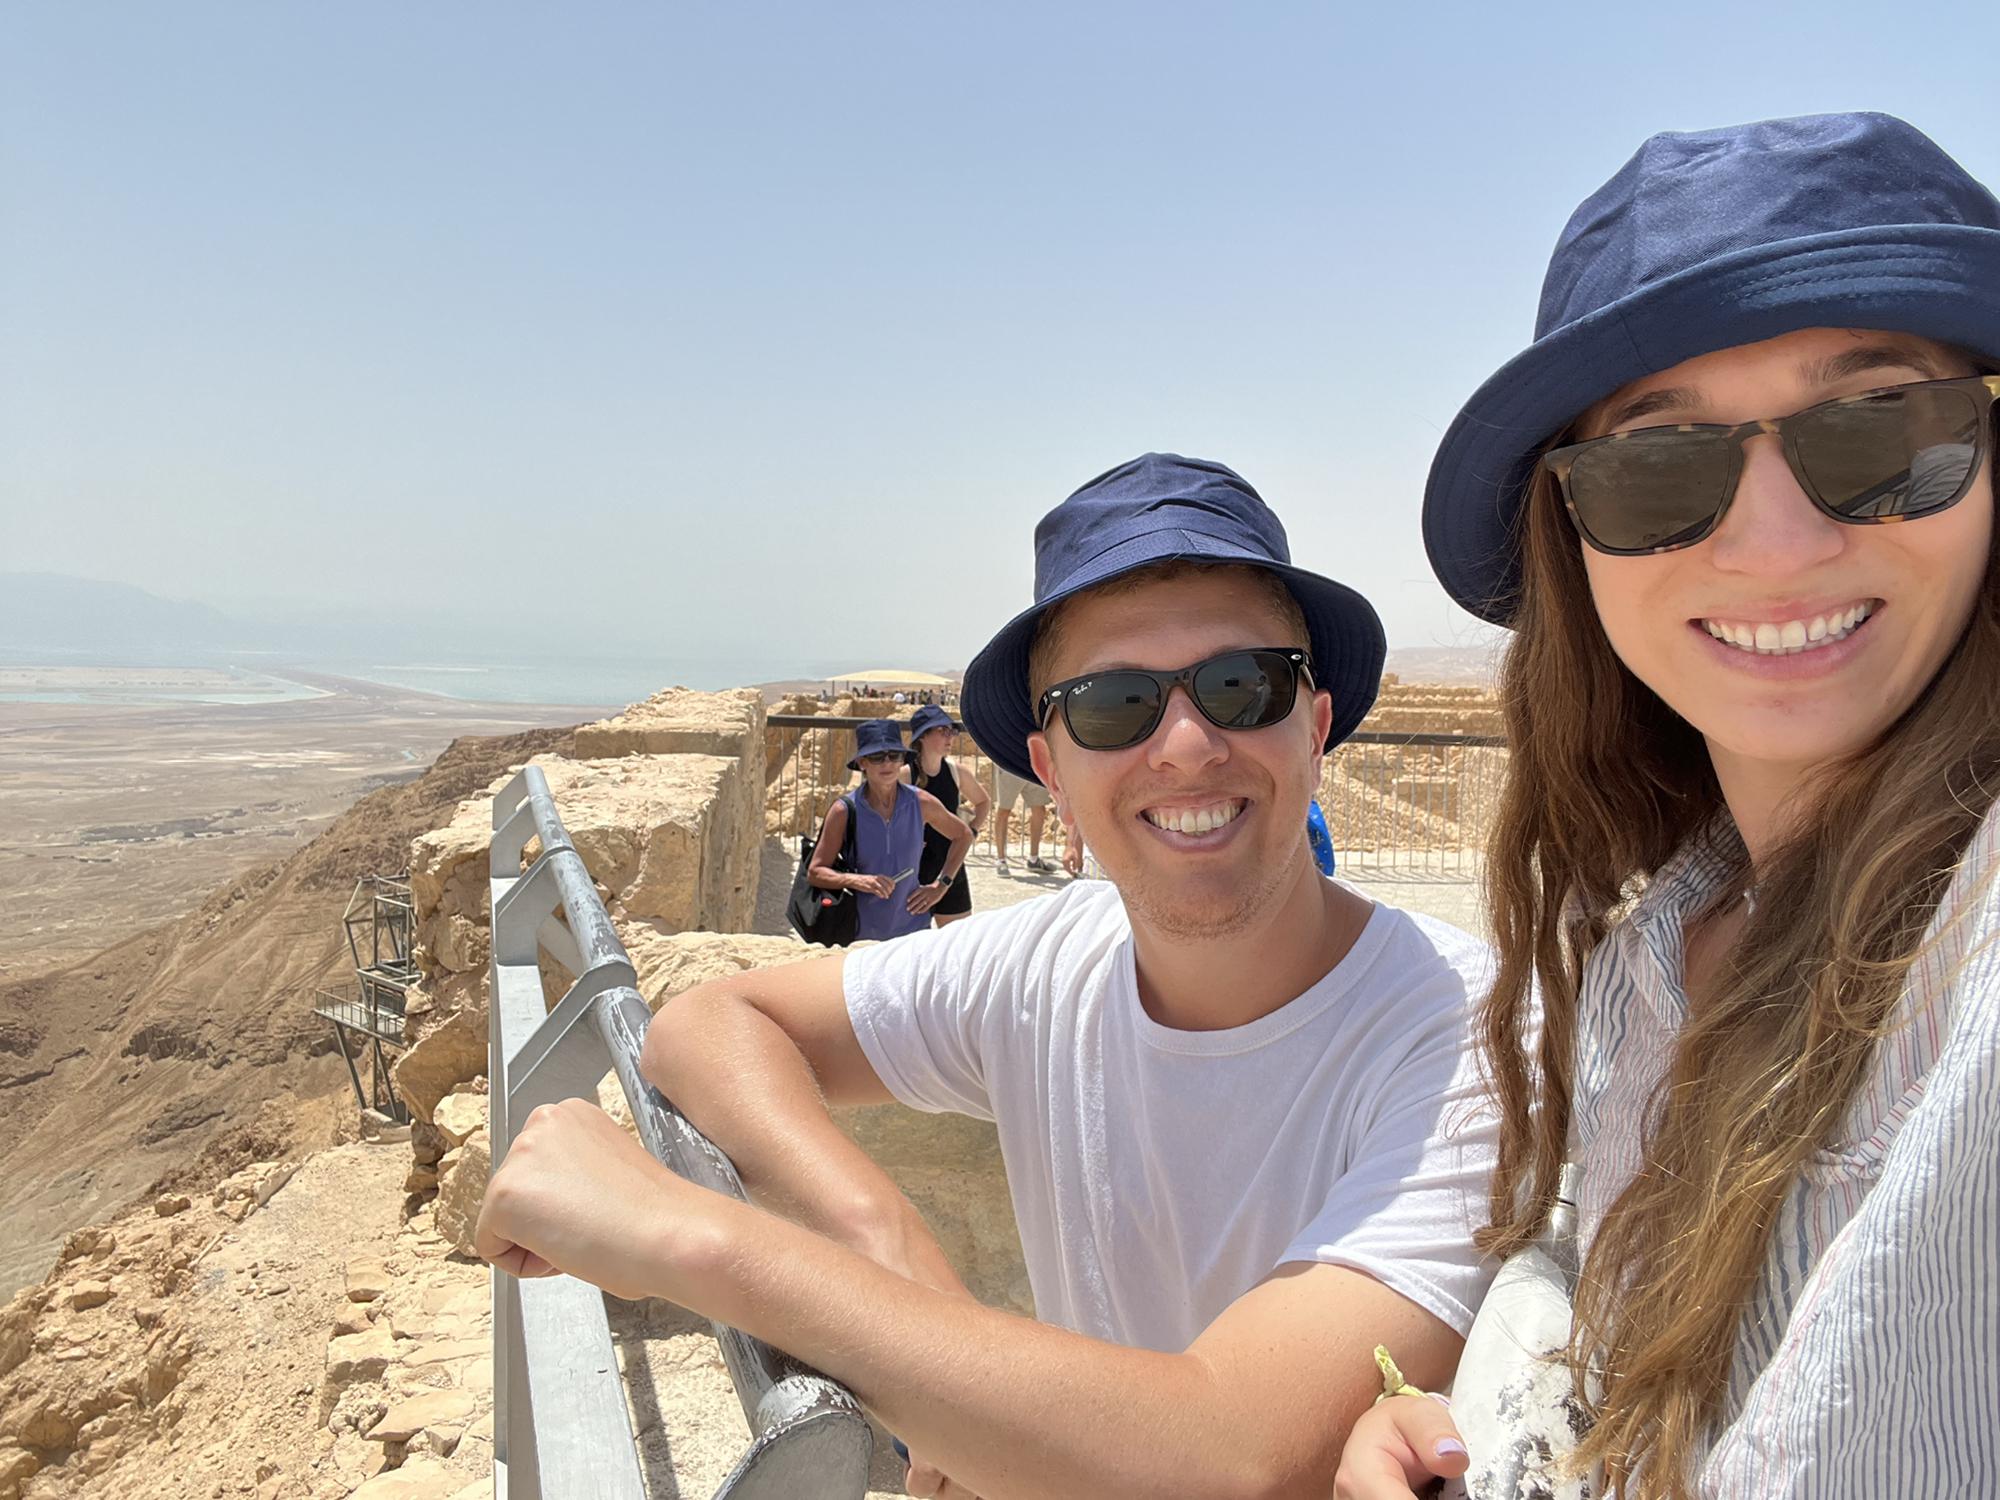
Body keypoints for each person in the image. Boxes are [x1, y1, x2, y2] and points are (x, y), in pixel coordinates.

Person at [477, 453, 1501, 1498]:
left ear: (1316, 725)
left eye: (1243, 687)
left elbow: (1232, 1455)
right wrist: (886, 1246)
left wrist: (694, 1240)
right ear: (1051, 770)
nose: (1187, 746)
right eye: (1113, 707)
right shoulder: (1048, 960)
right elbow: (708, 1025)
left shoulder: (1472, 1033)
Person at [1337, 113, 2000, 1500]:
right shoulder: (1664, 936)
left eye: (1879, 428)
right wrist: (1497, 1422)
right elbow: (1582, 1251)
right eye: (1658, 466)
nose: (1775, 544)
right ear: (1574, 542)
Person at [807, 718, 972, 943]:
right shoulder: (844, 811)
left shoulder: (921, 802)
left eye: (893, 755)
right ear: (862, 762)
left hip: (914, 931)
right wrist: (857, 880)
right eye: (877, 757)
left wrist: (941, 885)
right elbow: (816, 872)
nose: (887, 763)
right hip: (861, 935)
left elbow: (963, 835)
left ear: (902, 760)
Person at [904, 702, 989, 927]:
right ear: (923, 736)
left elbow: (983, 802)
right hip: (913, 871)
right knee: (913, 948)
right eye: (942, 731)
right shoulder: (904, 775)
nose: (950, 737)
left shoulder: (956, 771)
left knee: (957, 944)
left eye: (951, 731)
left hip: (950, 867)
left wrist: (970, 831)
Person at [990, 763, 1053, 876]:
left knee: (1039, 809)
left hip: (1033, 766)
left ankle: (1034, 859)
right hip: (1011, 765)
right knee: (1004, 809)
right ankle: (1001, 860)